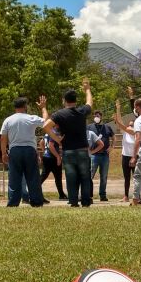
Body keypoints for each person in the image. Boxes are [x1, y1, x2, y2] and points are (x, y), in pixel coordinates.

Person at [44, 79, 93, 207]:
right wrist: (87, 89)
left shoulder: (59, 114)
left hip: (68, 150)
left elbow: (46, 126)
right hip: (82, 150)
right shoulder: (82, 111)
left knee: (71, 178)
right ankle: (86, 202)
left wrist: (56, 139)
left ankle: (73, 202)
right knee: (85, 177)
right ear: (75, 100)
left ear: (64, 100)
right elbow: (89, 103)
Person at [0, 96, 47, 207]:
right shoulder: (31, 118)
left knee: (14, 178)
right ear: (25, 106)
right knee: (33, 177)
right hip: (29, 150)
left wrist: (3, 153)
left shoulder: (8, 120)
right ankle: (36, 202)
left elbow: (3, 138)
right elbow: (46, 122)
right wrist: (43, 108)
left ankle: (13, 203)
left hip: (14, 150)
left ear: (15, 107)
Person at [113, 100, 138, 203]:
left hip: (135, 157)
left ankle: (137, 196)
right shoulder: (125, 132)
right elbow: (120, 121)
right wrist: (118, 108)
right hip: (125, 157)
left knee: (136, 177)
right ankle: (126, 196)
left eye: (132, 125)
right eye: (129, 125)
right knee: (126, 178)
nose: (130, 126)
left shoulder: (136, 133)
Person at [89, 110, 114, 202]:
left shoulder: (107, 127)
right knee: (90, 175)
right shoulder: (89, 127)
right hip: (94, 155)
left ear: (101, 117)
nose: (96, 117)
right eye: (95, 116)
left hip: (104, 156)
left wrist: (112, 147)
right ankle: (88, 195)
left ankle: (102, 195)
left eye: (98, 116)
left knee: (104, 176)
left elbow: (113, 137)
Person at [39, 134, 66, 200]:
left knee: (44, 176)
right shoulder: (54, 133)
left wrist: (45, 151)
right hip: (52, 157)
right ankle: (61, 195)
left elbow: (41, 142)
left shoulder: (47, 133)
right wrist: (58, 156)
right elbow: (51, 145)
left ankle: (61, 194)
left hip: (47, 157)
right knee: (57, 177)